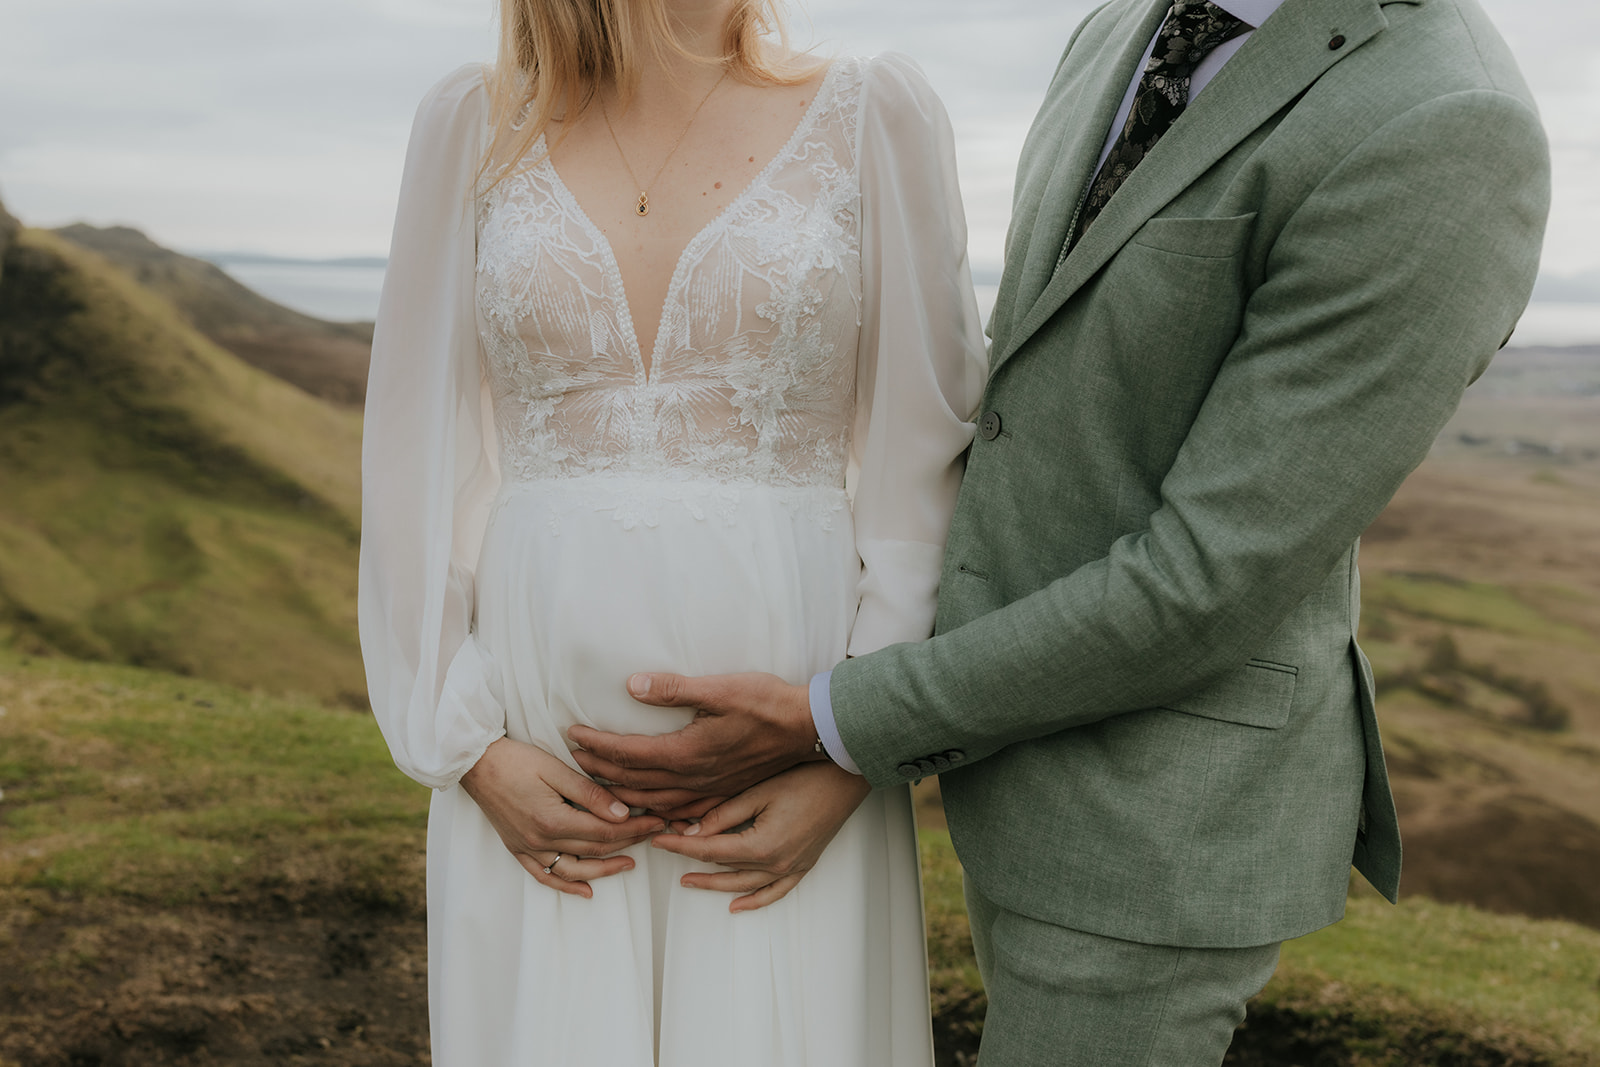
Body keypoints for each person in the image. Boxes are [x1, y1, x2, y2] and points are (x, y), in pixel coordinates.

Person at [569, 0, 1553, 1062]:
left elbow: (1205, 580)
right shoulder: (1127, 23)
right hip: (1022, 768)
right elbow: (1029, 408)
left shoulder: (1447, 119)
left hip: (1156, 826)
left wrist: (837, 717)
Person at [356, 0, 986, 1063]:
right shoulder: (472, 120)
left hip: (794, 772)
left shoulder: (876, 112)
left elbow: (925, 470)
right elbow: (409, 451)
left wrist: (849, 748)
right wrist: (464, 745)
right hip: (529, 765)